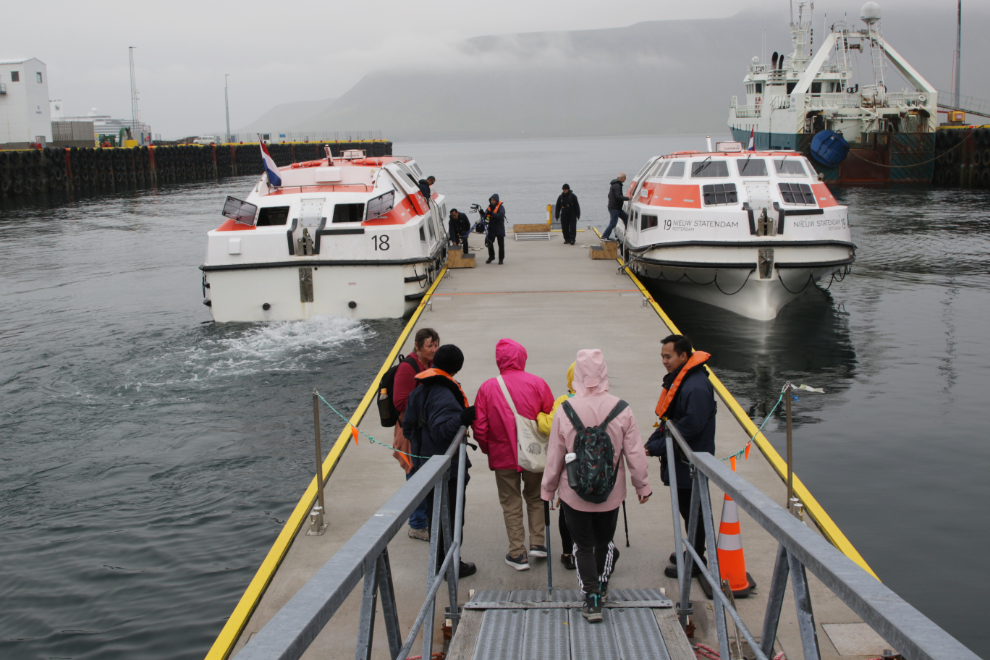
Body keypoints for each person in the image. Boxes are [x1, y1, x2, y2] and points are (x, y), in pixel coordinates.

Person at [542, 349, 651, 623]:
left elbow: (555, 455)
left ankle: (591, 598)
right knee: (604, 541)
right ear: (604, 374)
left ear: (577, 376)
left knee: (582, 545)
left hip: (573, 491)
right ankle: (602, 587)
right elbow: (635, 453)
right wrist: (642, 486)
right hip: (610, 493)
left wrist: (548, 489)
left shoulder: (565, 410)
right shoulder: (622, 408)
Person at [474, 339, 554, 570]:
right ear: (522, 358)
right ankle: (538, 543)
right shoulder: (538, 383)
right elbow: (549, 419)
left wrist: (489, 448)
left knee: (510, 502)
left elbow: (480, 427)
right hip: (533, 453)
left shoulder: (488, 387)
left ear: (499, 360)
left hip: (503, 455)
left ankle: (517, 553)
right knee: (536, 497)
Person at [643, 335, 716, 579]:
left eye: (668, 356)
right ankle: (693, 552)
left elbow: (689, 426)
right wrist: (652, 441)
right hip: (684, 460)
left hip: (692, 461)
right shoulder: (684, 380)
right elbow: (671, 419)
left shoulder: (695, 387)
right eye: (662, 356)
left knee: (694, 510)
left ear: (683, 356)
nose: (664, 361)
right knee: (688, 509)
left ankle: (697, 561)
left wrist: (656, 448)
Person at [403, 344, 478, 579]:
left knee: (434, 516)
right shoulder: (445, 394)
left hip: (425, 466)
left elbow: (407, 428)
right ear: (456, 369)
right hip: (447, 469)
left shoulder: (419, 390)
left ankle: (438, 563)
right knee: (452, 517)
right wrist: (462, 418)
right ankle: (451, 566)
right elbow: (441, 432)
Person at [393, 328, 440, 541]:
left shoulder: (430, 365)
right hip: (411, 432)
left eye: (436, 345)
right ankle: (417, 525)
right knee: (415, 475)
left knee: (424, 474)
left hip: (424, 430)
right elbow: (400, 402)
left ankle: (423, 520)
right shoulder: (407, 368)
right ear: (417, 346)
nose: (434, 349)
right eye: (429, 345)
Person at [536, 362, 578, 570]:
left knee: (568, 509)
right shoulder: (605, 401)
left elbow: (548, 425)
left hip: (570, 464)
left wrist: (539, 416)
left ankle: (568, 552)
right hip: (596, 464)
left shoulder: (564, 401)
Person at [601, 173, 629, 241]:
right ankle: (604, 236)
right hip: (615, 208)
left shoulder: (614, 184)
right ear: (622, 178)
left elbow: (609, 195)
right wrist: (628, 198)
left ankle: (627, 232)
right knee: (613, 223)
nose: (625, 179)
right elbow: (618, 196)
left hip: (617, 208)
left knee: (626, 218)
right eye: (625, 178)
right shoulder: (617, 185)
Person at [482, 194, 506, 264]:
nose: (492, 201)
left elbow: (500, 215)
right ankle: (491, 256)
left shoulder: (501, 207)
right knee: (489, 243)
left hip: (499, 228)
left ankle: (501, 259)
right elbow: (487, 217)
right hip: (491, 228)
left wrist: (492, 214)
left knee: (501, 245)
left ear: (497, 201)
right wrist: (483, 214)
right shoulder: (489, 207)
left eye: (493, 200)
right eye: (491, 200)